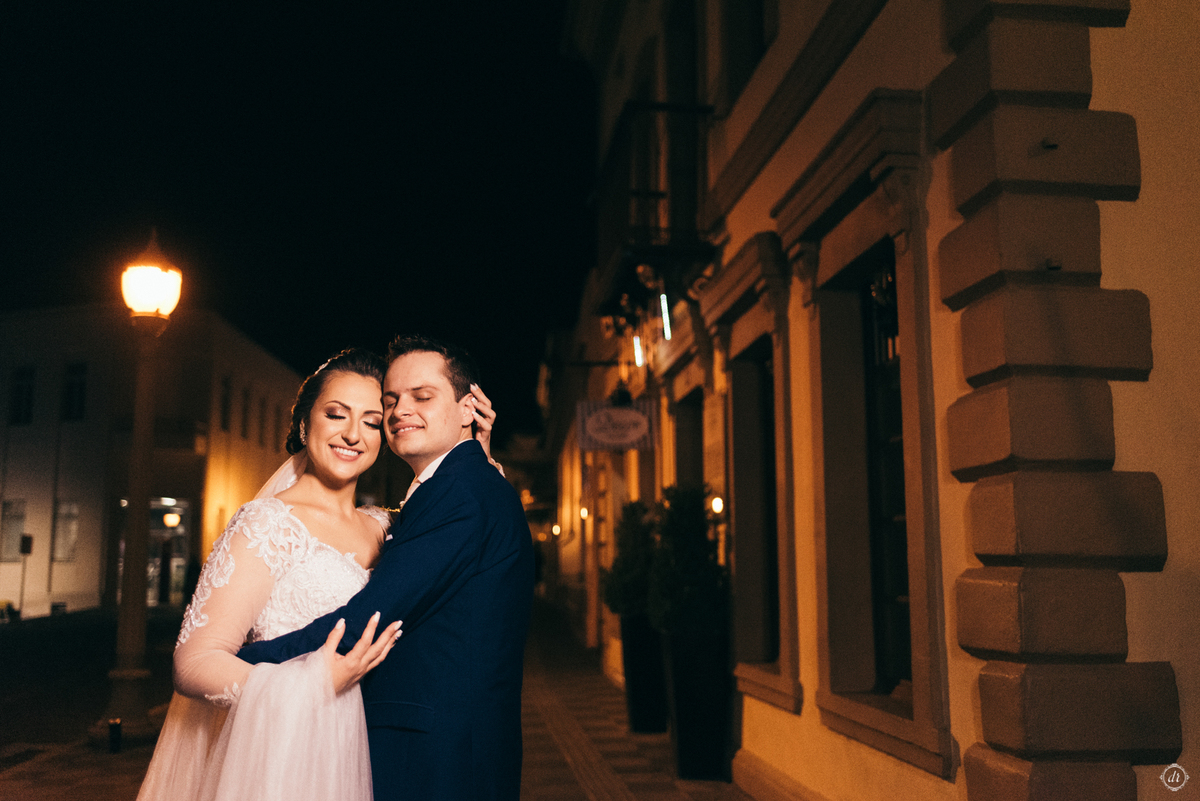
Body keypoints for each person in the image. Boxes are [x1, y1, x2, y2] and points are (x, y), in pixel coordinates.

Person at [136, 347, 500, 801]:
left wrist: (472, 451)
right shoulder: (265, 524)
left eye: (371, 421)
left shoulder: (389, 526)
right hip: (282, 757)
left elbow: (455, 531)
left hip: (368, 755)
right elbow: (193, 664)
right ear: (305, 424)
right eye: (336, 414)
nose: (352, 434)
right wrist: (312, 686)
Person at [238, 335, 535, 801]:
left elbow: (369, 618)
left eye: (422, 396)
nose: (400, 411)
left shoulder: (463, 493)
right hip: (430, 747)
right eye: (391, 401)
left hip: (437, 758)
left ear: (468, 407)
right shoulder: (460, 486)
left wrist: (241, 668)